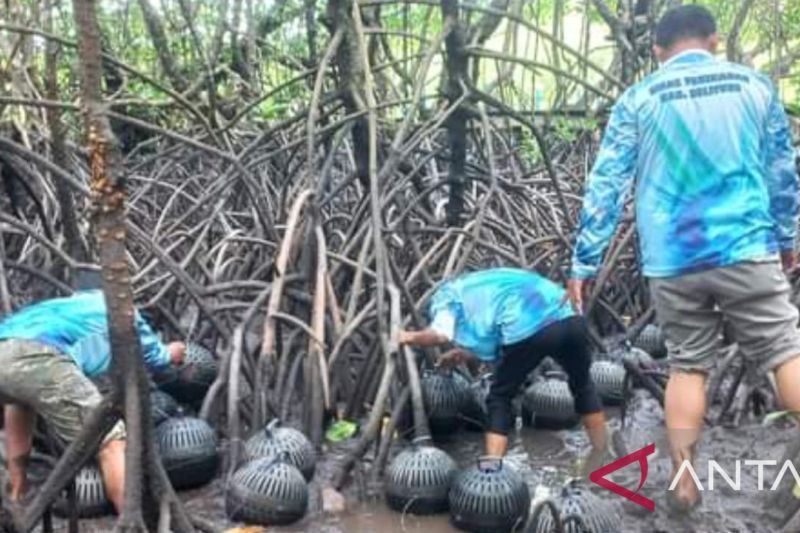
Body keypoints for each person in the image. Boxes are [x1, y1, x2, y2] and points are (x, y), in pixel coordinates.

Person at [567, 5, 800, 511]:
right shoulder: (754, 87)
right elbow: (783, 171)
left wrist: (583, 263)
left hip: (672, 258)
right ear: (714, 41)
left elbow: (605, 187)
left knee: (688, 366)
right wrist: (788, 236)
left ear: (656, 51)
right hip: (745, 245)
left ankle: (685, 481)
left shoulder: (639, 98)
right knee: (784, 349)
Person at [0, 289, 186, 512]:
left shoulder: (70, 303)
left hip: (7, 346)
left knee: (19, 402)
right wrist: (172, 351)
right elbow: (156, 357)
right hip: (38, 357)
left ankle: (17, 493)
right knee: (109, 439)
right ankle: (131, 522)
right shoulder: (126, 313)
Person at [397, 267, 607, 460]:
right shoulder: (485, 283)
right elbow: (497, 325)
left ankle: (491, 472)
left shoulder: (445, 297)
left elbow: (440, 334)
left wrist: (406, 336)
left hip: (531, 330)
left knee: (499, 397)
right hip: (571, 320)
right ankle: (601, 455)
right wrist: (468, 353)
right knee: (583, 386)